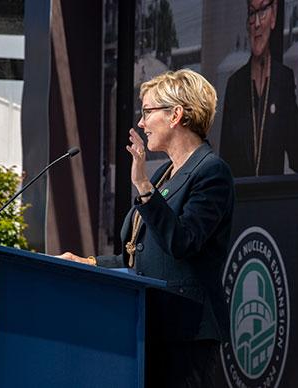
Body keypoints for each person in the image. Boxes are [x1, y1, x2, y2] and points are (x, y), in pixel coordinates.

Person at [60, 69, 235, 387]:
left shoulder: (211, 172)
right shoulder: (165, 175)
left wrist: (142, 186)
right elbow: (139, 255)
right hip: (151, 327)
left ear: (176, 115)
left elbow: (183, 241)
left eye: (148, 112)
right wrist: (88, 263)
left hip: (186, 331)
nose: (141, 123)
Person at [220, 0, 298, 177]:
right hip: (242, 200)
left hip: (274, 199)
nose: (257, 23)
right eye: (252, 13)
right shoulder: (235, 85)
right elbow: (225, 158)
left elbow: (297, 160)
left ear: (274, 17)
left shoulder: (283, 80)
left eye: (262, 12)